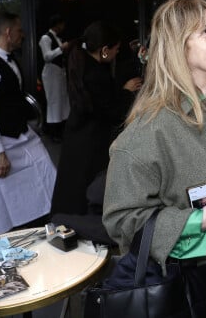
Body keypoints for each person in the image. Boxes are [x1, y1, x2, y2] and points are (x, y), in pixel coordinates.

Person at [103, 0, 206, 316]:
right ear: (178, 49)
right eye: (205, 31)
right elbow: (120, 220)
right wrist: (198, 220)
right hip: (193, 296)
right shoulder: (148, 132)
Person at [0, 11, 56, 238]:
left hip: (17, 136)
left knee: (45, 170)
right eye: (19, 30)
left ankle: (45, 225)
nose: (23, 35)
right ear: (8, 32)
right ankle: (1, 250)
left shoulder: (11, 59)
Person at [50, 20, 142, 217]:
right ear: (105, 50)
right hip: (89, 141)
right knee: (85, 191)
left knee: (74, 190)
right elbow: (110, 110)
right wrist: (126, 92)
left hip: (79, 137)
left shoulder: (84, 63)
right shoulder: (95, 73)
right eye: (116, 49)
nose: (117, 53)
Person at [38, 14, 71, 142]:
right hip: (51, 73)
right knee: (53, 101)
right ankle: (52, 131)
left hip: (59, 73)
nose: (63, 27)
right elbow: (47, 56)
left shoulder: (58, 37)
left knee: (62, 100)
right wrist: (61, 48)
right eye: (62, 24)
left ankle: (61, 129)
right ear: (57, 24)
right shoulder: (45, 38)